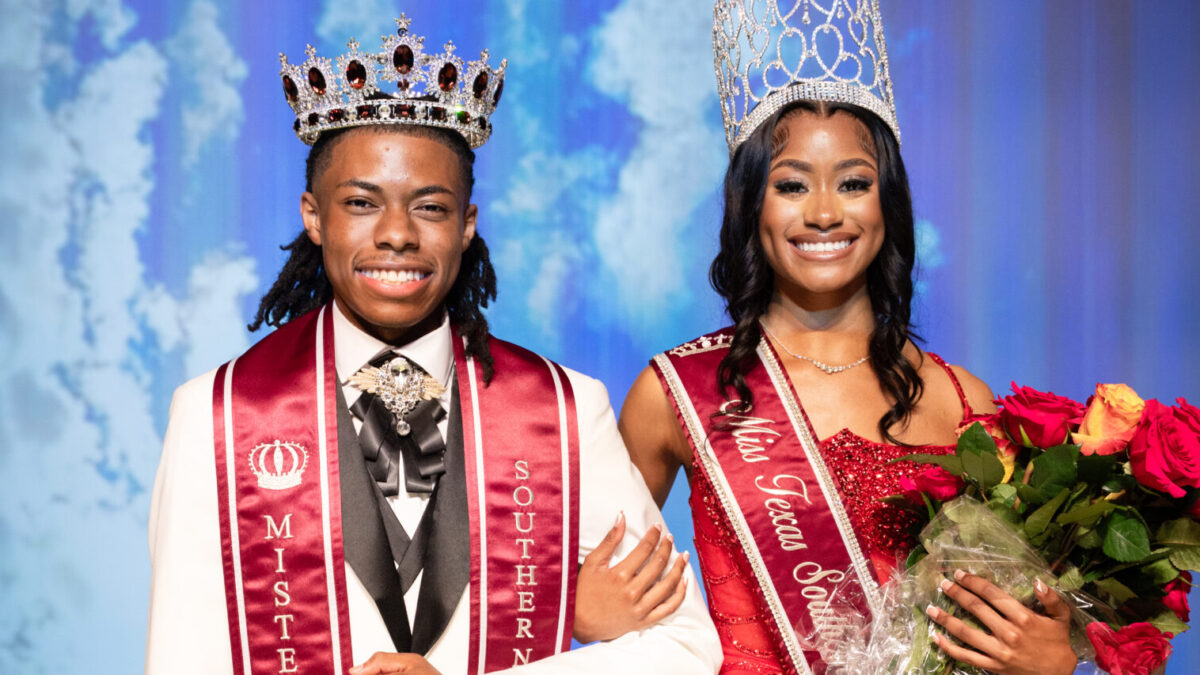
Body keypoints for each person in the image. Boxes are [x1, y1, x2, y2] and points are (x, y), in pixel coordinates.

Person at [145, 16, 719, 675]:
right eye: (362, 203)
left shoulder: (562, 410)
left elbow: (686, 647)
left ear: (467, 223)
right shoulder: (218, 416)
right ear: (313, 215)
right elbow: (178, 660)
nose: (397, 234)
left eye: (430, 206)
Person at [618, 2, 1077, 674]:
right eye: (792, 185)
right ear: (753, 205)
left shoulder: (960, 400)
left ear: (887, 203)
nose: (826, 212)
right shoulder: (675, 391)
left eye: (855, 183)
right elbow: (588, 596)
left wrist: (1051, 660)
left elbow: (1006, 618)